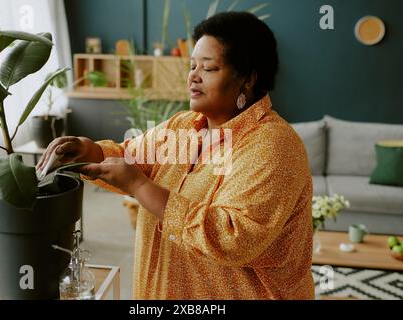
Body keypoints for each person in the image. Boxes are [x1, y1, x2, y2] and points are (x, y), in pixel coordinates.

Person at [37, 12, 314, 299]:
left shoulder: (273, 145)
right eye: (192, 66)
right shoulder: (184, 124)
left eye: (208, 68)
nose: (193, 76)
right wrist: (88, 150)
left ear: (247, 79)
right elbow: (130, 156)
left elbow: (233, 238)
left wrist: (139, 187)